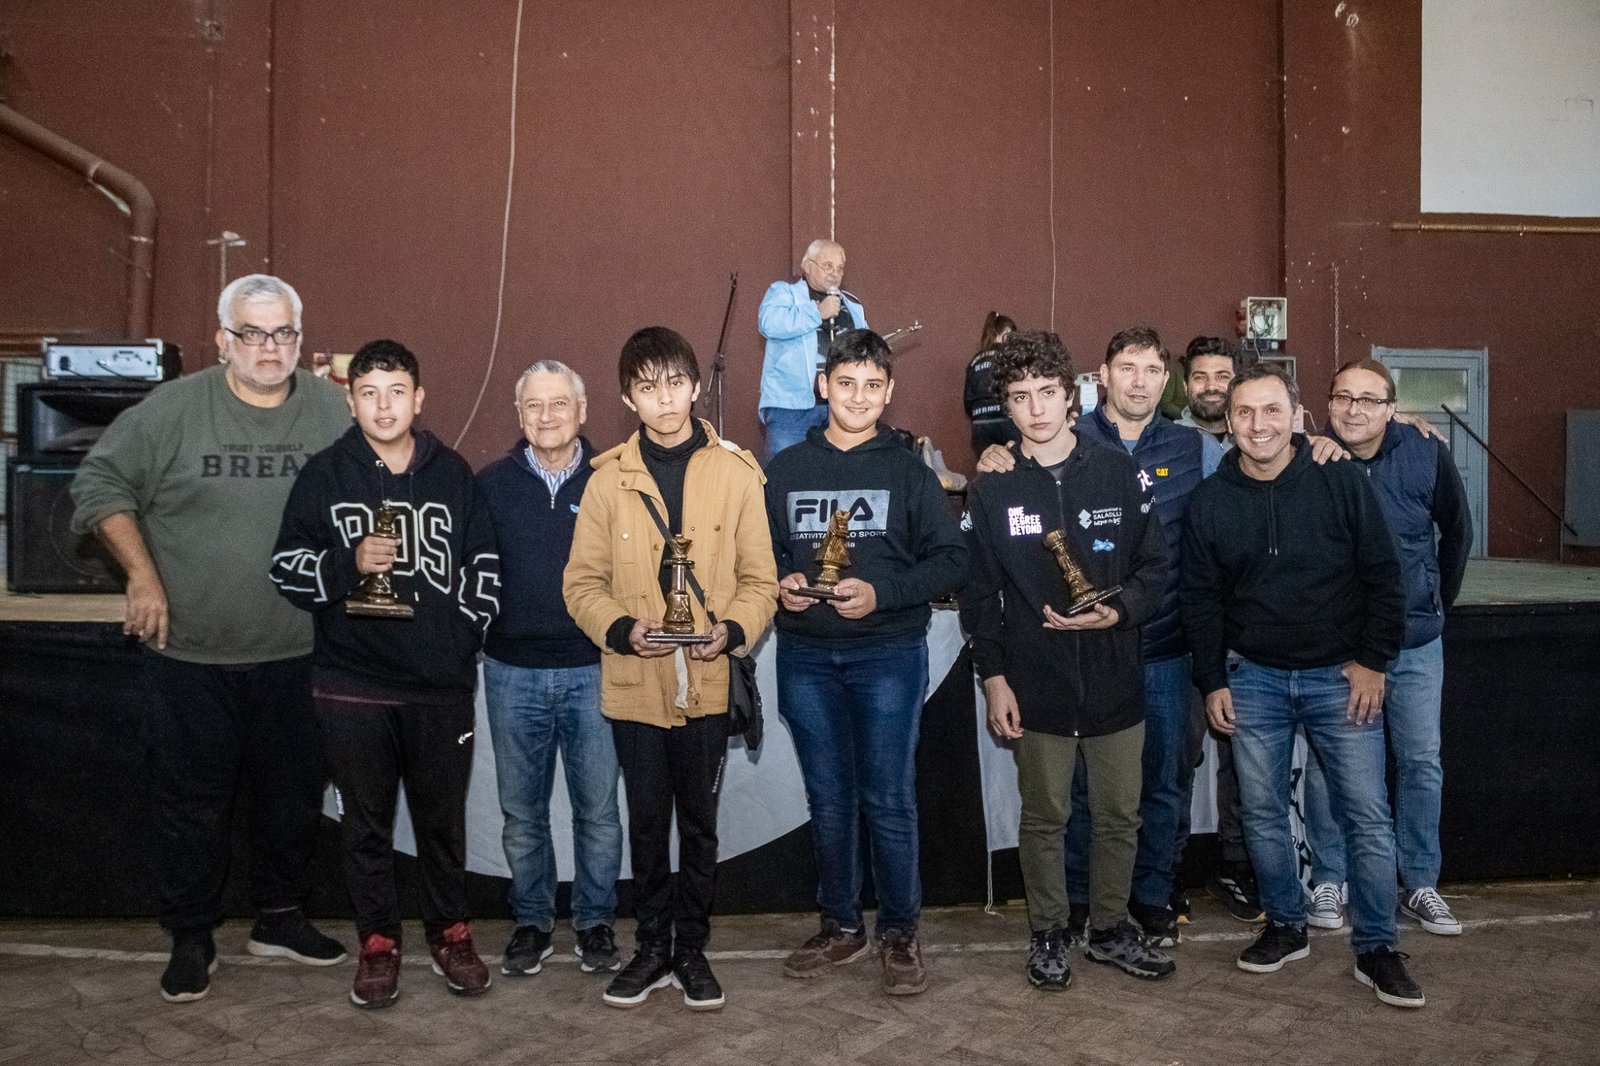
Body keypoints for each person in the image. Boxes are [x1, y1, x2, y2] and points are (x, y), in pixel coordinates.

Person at [70, 274, 350, 1003]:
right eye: (252, 333)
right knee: (191, 805)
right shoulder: (173, 409)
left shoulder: (332, 410)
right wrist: (142, 576)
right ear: (224, 340)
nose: (269, 347)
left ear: (300, 340)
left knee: (293, 799)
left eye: (283, 333)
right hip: (191, 654)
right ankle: (191, 935)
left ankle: (280, 918)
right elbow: (98, 487)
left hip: (300, 652)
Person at [1182, 364, 1423, 1009]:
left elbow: (1384, 575)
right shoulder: (1211, 500)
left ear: (1296, 416)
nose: (1257, 425)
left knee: (1367, 817)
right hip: (1252, 680)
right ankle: (1286, 926)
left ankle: (1377, 948)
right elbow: (1201, 601)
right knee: (1262, 813)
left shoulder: (1338, 478)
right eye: (1244, 413)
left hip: (1340, 679)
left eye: (1271, 411)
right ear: (1228, 421)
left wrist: (1373, 662)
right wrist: (1212, 680)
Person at [270, 339, 500, 1009]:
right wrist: (349, 563)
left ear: (418, 398)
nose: (384, 406)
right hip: (352, 683)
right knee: (366, 827)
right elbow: (285, 569)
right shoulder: (324, 474)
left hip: (439, 687)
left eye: (397, 392)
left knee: (441, 824)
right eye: (369, 394)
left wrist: (460, 636)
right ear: (351, 401)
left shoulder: (452, 473)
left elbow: (486, 566)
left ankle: (451, 935)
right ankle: (377, 943)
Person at [563, 327, 777, 1011]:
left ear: (696, 387)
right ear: (628, 398)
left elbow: (761, 580)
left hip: (708, 681)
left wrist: (733, 631)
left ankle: (692, 951)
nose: (665, 399)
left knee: (701, 826)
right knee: (648, 824)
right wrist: (621, 630)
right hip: (636, 684)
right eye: (648, 388)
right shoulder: (605, 482)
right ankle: (652, 948)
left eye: (676, 383)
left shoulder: (737, 473)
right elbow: (581, 583)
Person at [959, 330, 1175, 992]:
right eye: (1020, 396)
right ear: (1006, 406)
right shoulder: (991, 489)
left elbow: (1157, 567)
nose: (1036, 408)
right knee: (1045, 818)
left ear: (1071, 395)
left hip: (1115, 679)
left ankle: (1108, 929)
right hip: (1037, 684)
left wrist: (1122, 611)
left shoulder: (1118, 470)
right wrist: (995, 679)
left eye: (1047, 392)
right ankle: (1049, 932)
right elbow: (978, 596)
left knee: (1119, 817)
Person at [765, 329, 968, 996]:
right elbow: (761, 555)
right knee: (828, 798)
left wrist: (883, 593)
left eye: (872, 386)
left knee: (888, 797)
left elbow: (952, 561)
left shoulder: (909, 472)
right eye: (846, 383)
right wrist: (782, 583)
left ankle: (900, 931)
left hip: (888, 653)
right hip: (805, 656)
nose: (858, 397)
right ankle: (842, 924)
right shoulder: (787, 469)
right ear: (823, 386)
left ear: (889, 392)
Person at [1042, 328, 1220, 949]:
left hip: (1167, 650)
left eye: (1151, 370)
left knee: (1165, 783)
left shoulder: (1197, 449)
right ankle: (1081, 900)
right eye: (1127, 367)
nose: (1139, 381)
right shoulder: (1067, 439)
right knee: (1083, 789)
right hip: (1089, 652)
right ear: (1103, 375)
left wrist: (1320, 445)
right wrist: (996, 458)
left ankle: (1152, 895)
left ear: (1166, 380)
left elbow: (1263, 464)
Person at [1301, 358, 1472, 937]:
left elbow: (1457, 531)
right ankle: (1330, 877)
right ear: (1328, 404)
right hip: (1342, 648)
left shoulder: (1426, 451)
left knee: (1421, 762)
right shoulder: (1312, 460)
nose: (1354, 410)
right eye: (1343, 398)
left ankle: (1419, 882)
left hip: (1416, 645)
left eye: (1369, 400)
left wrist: (1434, 603)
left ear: (1392, 408)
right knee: (1331, 766)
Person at [477, 361, 624, 978]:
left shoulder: (613, 481)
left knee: (599, 813)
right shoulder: (489, 485)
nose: (547, 416)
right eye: (534, 405)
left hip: (595, 670)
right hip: (511, 673)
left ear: (582, 411)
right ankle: (532, 923)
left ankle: (595, 924)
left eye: (559, 403)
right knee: (522, 816)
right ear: (519, 415)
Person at [758, 239, 867, 461]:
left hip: (839, 407)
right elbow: (769, 323)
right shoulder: (784, 293)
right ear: (807, 266)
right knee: (786, 471)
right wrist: (817, 313)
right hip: (791, 409)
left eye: (840, 268)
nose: (834, 273)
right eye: (828, 266)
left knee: (838, 473)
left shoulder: (852, 305)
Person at [963, 311, 1019, 459]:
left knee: (988, 466)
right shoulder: (1010, 356)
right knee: (1015, 464)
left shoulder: (975, 361)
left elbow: (968, 400)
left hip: (980, 422)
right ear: (1006, 332)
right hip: (1006, 419)